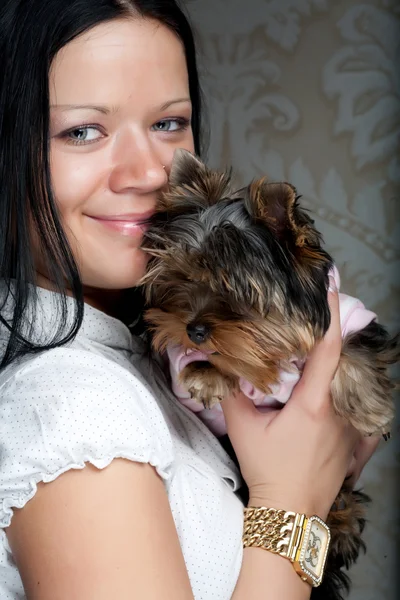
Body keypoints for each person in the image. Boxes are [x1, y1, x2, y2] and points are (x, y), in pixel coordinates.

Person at [0, 1, 379, 599]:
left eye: (169, 123)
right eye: (82, 130)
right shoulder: (73, 408)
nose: (149, 172)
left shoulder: (132, 354)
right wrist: (290, 499)